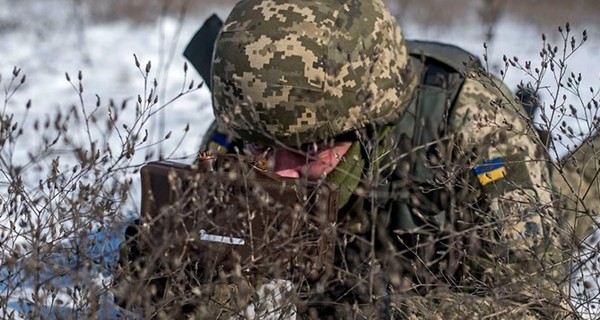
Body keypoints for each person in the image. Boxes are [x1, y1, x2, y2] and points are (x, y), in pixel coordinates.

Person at [195, 0, 579, 318]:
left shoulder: (477, 126)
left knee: (575, 189)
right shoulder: (260, 114)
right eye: (262, 149)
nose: (281, 174)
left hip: (473, 218)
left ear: (366, 129)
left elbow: (539, 306)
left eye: (307, 150)